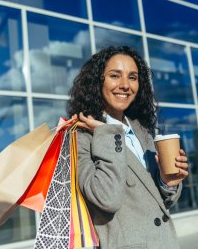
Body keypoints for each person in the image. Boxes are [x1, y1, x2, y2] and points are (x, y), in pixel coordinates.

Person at [67, 46, 189, 249]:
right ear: (98, 81)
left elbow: (156, 203)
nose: (125, 85)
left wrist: (167, 182)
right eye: (115, 75)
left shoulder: (142, 131)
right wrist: (109, 134)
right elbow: (107, 199)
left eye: (132, 77)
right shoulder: (80, 137)